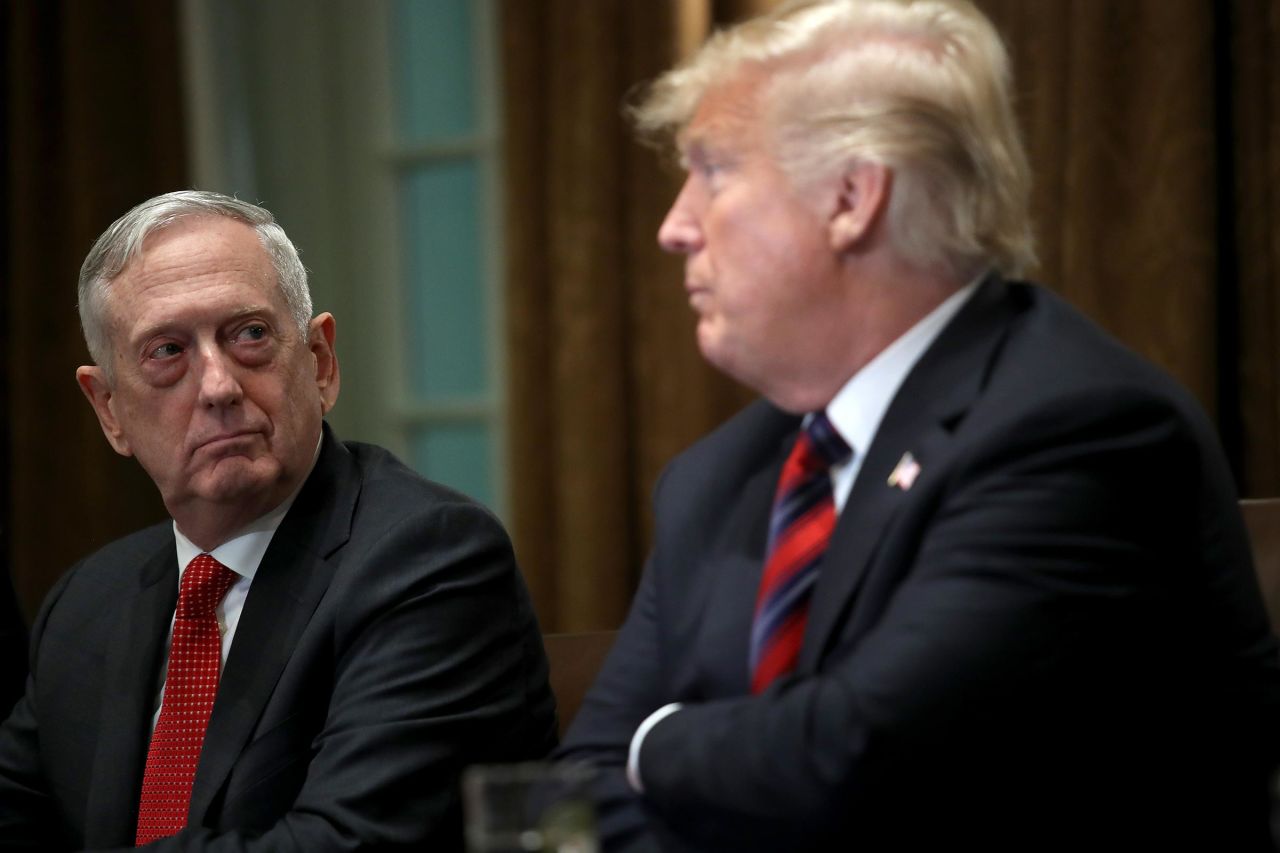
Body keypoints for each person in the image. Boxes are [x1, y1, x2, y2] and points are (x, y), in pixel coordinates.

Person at [555, 1, 1280, 850]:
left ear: (852, 198)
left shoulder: (1076, 428)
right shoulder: (716, 476)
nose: (674, 227)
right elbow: (575, 793)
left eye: (713, 170)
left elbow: (856, 756)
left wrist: (659, 741)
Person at [0, 191, 557, 850]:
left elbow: (341, 842)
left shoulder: (428, 560)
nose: (217, 386)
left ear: (320, 363)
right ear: (110, 409)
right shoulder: (88, 601)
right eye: (167, 351)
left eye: (250, 335)